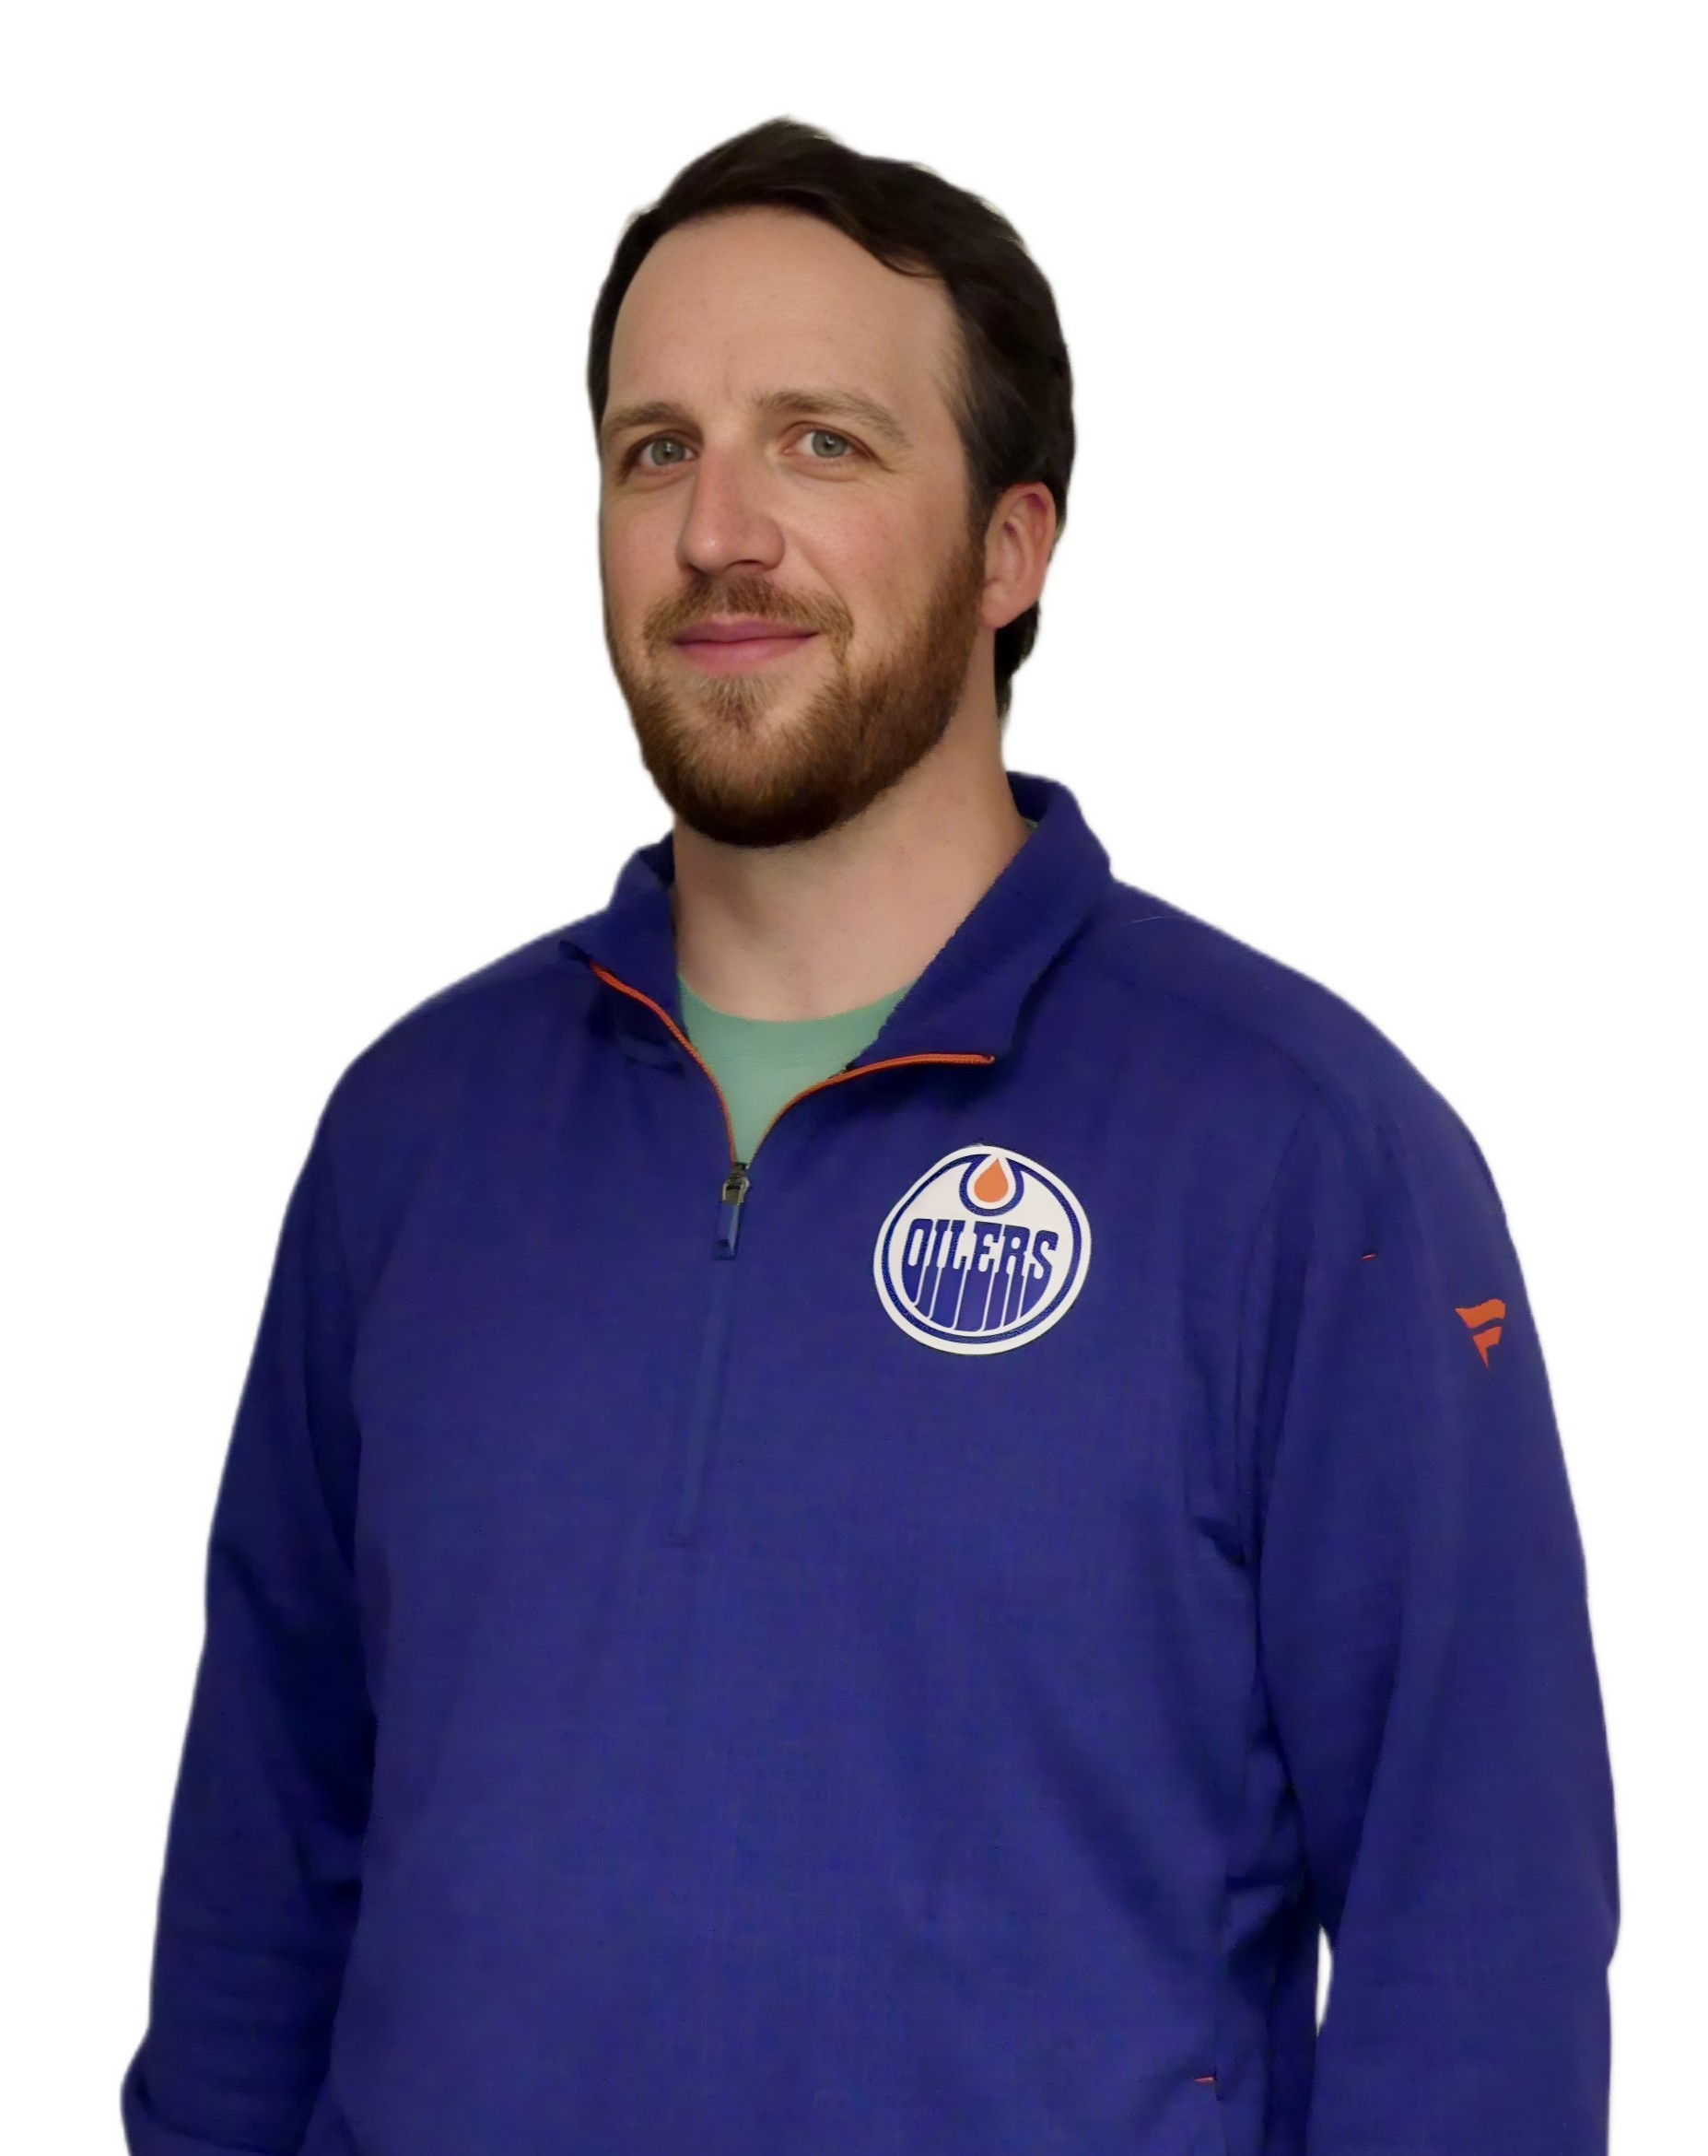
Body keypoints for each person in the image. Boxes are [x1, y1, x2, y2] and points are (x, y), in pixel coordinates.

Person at [122, 117, 1618, 2156]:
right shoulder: (414, 1137)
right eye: (656, 450)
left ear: (1010, 549)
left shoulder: (1302, 1154)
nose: (716, 530)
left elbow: (1481, 1954)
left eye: (819, 444)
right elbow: (262, 1872)